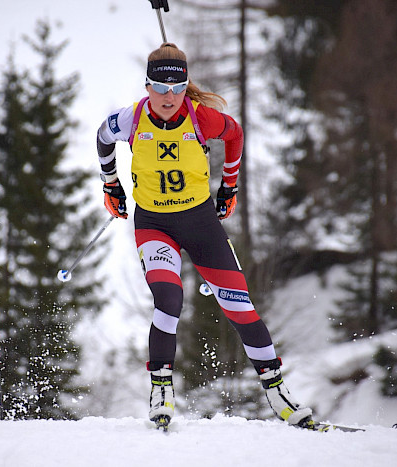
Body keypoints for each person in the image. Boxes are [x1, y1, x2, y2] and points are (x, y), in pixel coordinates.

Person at [96, 43, 315, 429]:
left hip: (200, 223)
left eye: (177, 87)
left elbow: (236, 135)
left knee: (240, 307)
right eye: (160, 87)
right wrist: (110, 183)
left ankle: (277, 391)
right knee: (169, 297)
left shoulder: (202, 119)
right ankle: (161, 388)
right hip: (154, 225)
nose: (169, 96)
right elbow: (101, 137)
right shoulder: (130, 120)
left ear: (186, 86)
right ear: (146, 85)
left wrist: (229, 187)